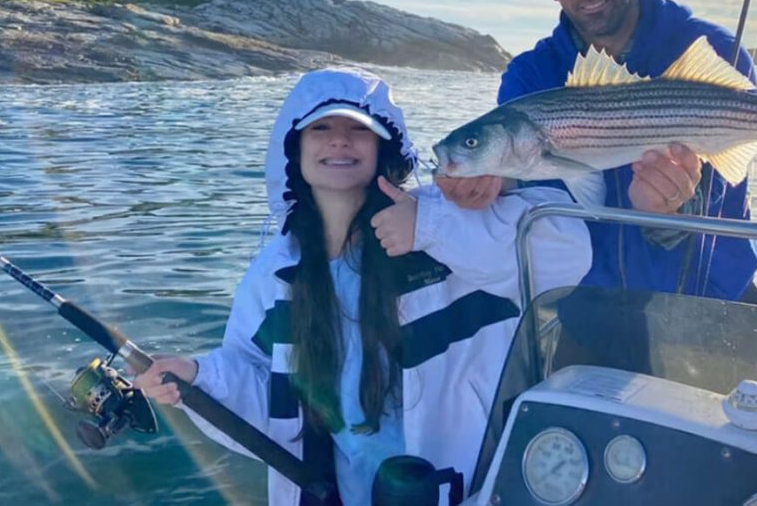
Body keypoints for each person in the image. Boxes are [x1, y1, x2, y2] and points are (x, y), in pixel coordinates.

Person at [134, 67, 591, 506]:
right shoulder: (276, 272)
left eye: (358, 130)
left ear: (384, 146)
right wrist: (201, 376)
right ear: (293, 149)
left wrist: (430, 226)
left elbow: (568, 256)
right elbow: (267, 389)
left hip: (476, 488)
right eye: (320, 129)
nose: (339, 140)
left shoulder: (442, 220)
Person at [437, 0, 757, 304]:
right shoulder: (529, 75)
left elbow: (725, 184)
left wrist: (669, 212)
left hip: (711, 294)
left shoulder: (710, 49)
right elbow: (538, 195)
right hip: (590, 305)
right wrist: (493, 185)